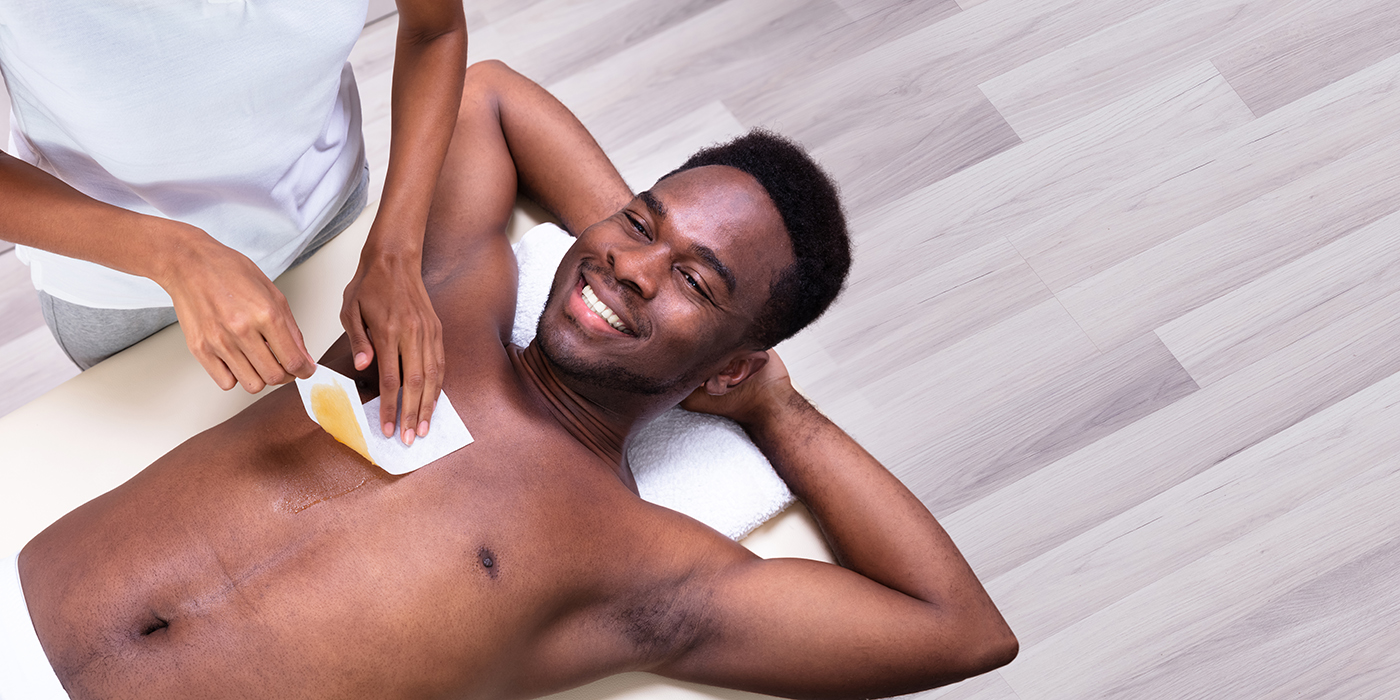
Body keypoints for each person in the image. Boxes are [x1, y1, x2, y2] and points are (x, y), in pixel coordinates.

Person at [8, 61, 1017, 700]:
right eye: (638, 222)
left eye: (695, 281)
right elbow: (490, 94)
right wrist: (404, 250)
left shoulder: (639, 566)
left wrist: (770, 401)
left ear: (735, 357)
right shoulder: (445, 299)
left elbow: (958, 630)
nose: (630, 267)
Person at [0, 0, 465, 445]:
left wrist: (395, 251)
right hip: (132, 291)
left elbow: (434, 30)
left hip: (332, 224)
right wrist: (174, 258)